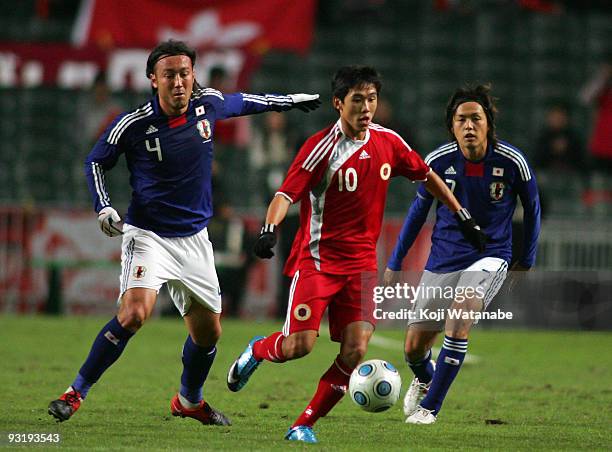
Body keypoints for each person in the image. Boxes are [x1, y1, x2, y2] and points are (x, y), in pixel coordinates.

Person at [47, 39, 321, 425]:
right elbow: (96, 162)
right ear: (152, 80)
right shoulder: (134, 124)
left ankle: (189, 401)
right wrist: (104, 205)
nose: (179, 82)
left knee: (209, 334)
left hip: (194, 240)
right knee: (134, 314)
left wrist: (289, 100)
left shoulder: (207, 104)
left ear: (193, 76)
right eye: (169, 75)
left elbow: (245, 102)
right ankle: (76, 392)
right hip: (149, 237)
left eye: (184, 73)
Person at [226, 66, 487, 443]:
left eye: (372, 99)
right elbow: (285, 194)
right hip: (318, 262)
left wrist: (461, 215)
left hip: (362, 267)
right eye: (358, 100)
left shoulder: (389, 142)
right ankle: (258, 350)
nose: (367, 107)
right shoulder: (321, 147)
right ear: (338, 104)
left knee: (356, 349)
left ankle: (303, 424)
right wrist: (269, 228)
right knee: (299, 346)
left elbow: (427, 175)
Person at [384, 84, 541, 425]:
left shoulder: (512, 162)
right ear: (451, 126)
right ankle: (425, 378)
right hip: (443, 258)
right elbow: (417, 213)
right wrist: (395, 262)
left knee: (463, 309)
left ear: (488, 123)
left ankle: (430, 409)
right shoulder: (438, 161)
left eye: (476, 119)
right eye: (461, 120)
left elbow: (532, 209)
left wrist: (525, 260)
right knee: (413, 348)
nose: (469, 126)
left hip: (491, 255)